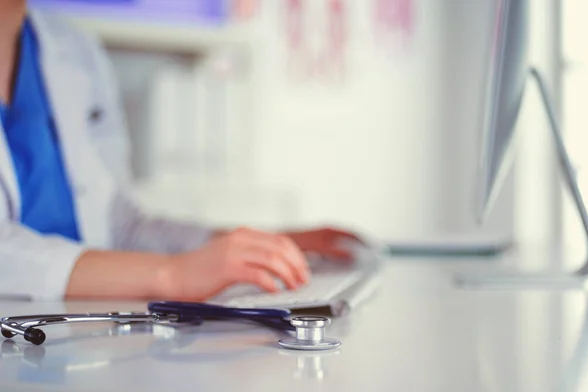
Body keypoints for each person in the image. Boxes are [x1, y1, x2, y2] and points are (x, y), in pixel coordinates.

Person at [0, 1, 360, 302]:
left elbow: (122, 228)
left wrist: (257, 249)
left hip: (72, 341)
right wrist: (170, 276)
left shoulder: (75, 49)